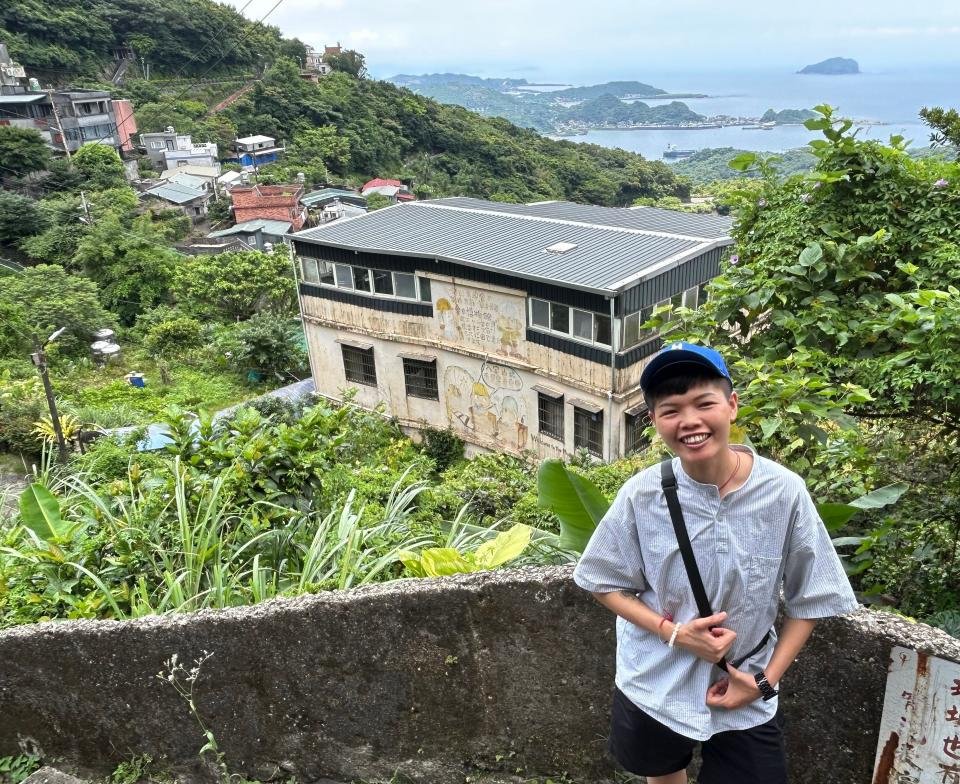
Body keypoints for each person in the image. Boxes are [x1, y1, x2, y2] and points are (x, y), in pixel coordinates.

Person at [573, 341, 858, 784]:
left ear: (731, 405)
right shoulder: (641, 494)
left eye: (704, 403)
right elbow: (599, 578)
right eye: (671, 410)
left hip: (748, 680)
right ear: (654, 421)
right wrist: (675, 634)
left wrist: (763, 682)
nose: (689, 421)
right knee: (663, 773)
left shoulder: (784, 491)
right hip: (656, 681)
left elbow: (812, 597)